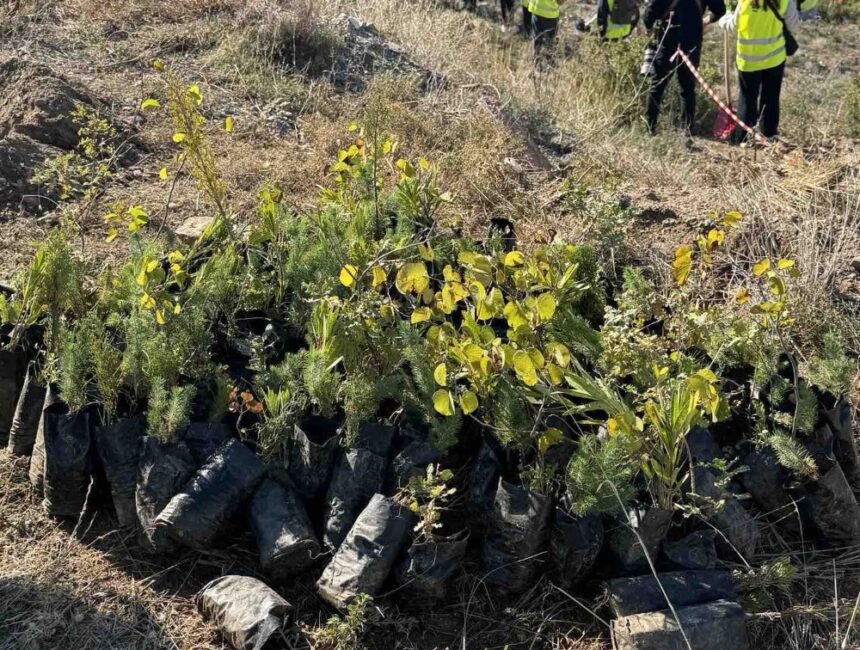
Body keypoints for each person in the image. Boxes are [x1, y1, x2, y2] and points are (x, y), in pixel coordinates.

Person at [719, 0, 799, 143]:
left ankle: (741, 138)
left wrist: (726, 16)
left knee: (747, 98)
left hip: (748, 60)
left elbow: (733, 25)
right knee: (771, 97)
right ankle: (769, 136)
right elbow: (793, 25)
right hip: (774, 58)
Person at [642, 0, 726, 135]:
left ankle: (649, 130)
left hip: (667, 42)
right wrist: (705, 20)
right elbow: (720, 10)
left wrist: (649, 27)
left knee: (657, 87)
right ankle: (686, 131)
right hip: (691, 45)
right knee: (687, 89)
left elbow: (650, 12)